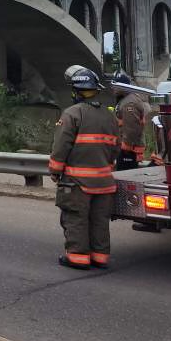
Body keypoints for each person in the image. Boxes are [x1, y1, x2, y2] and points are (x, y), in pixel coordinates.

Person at [49, 66, 120, 270]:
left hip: (77, 182)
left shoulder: (72, 113)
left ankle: (78, 257)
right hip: (104, 182)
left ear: (75, 91)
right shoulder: (109, 116)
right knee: (99, 220)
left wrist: (55, 170)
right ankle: (100, 257)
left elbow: (61, 145)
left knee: (76, 218)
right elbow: (116, 147)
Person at [111, 72, 149, 171]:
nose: (113, 88)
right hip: (128, 148)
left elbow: (131, 128)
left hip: (128, 149)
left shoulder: (129, 103)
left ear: (122, 87)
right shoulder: (126, 99)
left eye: (115, 85)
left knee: (125, 176)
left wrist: (126, 147)